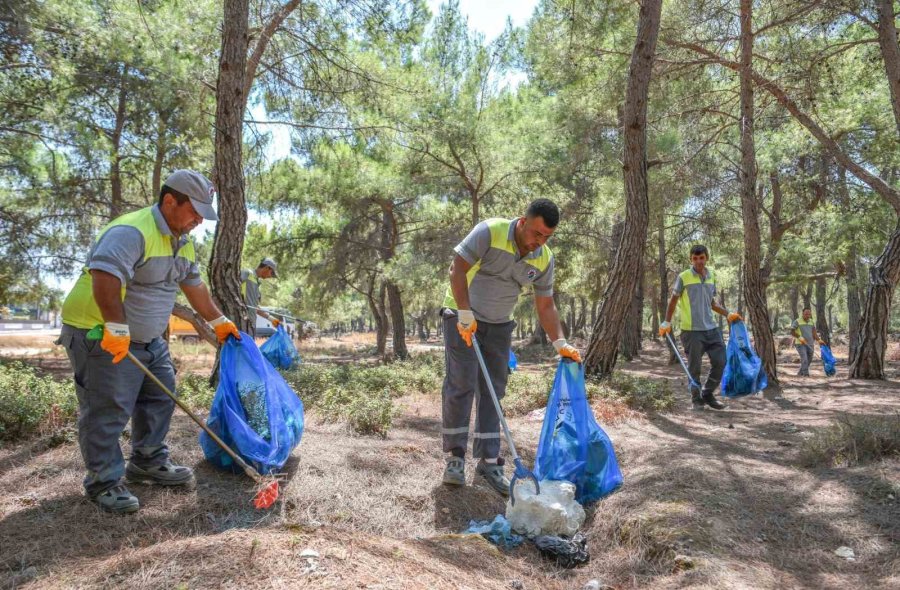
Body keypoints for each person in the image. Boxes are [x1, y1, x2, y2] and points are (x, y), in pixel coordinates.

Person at [58, 170, 241, 513]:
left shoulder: (181, 241)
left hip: (147, 339)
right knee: (107, 409)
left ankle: (147, 461)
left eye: (204, 213)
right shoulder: (131, 231)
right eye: (195, 210)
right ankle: (104, 482)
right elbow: (105, 278)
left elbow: (194, 285)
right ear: (170, 201)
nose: (199, 220)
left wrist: (218, 321)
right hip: (99, 333)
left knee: (160, 397)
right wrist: (116, 327)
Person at [440, 199, 581, 496]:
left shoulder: (543, 258)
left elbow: (545, 304)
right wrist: (464, 313)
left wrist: (560, 342)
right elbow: (457, 269)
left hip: (499, 324)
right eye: (536, 233)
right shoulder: (490, 231)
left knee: (494, 390)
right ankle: (455, 458)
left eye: (546, 237)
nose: (538, 242)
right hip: (462, 317)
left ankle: (489, 461)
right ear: (522, 221)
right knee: (461, 384)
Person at [659, 244, 742, 410]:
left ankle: (707, 392)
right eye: (695, 258)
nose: (698, 261)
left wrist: (727, 314)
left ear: (706, 258)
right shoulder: (684, 277)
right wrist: (667, 322)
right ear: (691, 259)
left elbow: (711, 303)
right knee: (694, 368)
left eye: (701, 258)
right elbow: (673, 301)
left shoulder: (711, 277)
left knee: (721, 361)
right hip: (691, 331)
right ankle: (696, 400)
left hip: (711, 329)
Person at [241, 258, 280, 337]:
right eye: (271, 273)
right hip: (242, 322)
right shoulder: (247, 273)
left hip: (251, 325)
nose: (270, 276)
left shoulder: (257, 283)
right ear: (266, 268)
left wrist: (271, 318)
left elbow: (255, 307)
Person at [791, 307, 823, 376]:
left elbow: (814, 333)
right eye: (806, 314)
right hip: (800, 344)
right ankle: (806, 374)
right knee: (804, 359)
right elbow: (792, 331)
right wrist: (799, 337)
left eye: (809, 314)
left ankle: (800, 373)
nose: (807, 316)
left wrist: (819, 340)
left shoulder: (811, 321)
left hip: (810, 343)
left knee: (809, 360)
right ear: (803, 313)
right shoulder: (797, 321)